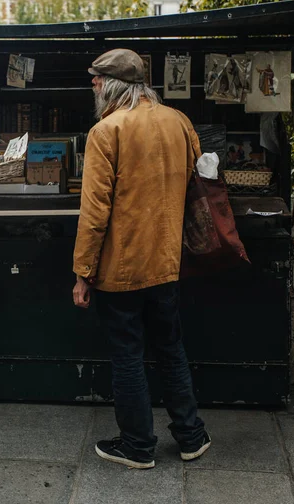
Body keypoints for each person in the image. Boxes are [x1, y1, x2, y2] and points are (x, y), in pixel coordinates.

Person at [72, 48, 211, 469]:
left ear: (111, 84)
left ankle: (137, 446)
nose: (92, 86)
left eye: (96, 79)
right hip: (167, 263)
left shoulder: (106, 131)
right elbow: (195, 180)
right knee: (171, 349)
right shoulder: (178, 121)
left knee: (128, 357)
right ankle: (191, 437)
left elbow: (94, 212)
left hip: (123, 269)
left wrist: (82, 273)